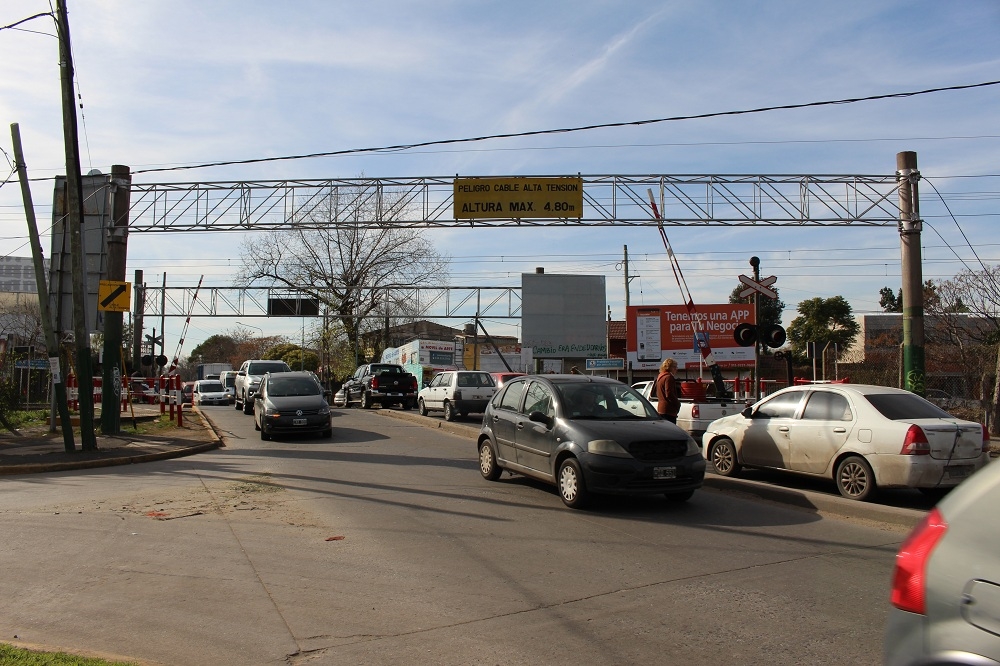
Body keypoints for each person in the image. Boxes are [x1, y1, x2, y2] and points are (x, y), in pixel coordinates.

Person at [655, 358, 680, 423]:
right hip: (669, 410)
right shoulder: (669, 377)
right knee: (671, 431)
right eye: (674, 367)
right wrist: (677, 404)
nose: (676, 369)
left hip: (661, 409)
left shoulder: (660, 377)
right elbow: (669, 394)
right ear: (669, 367)